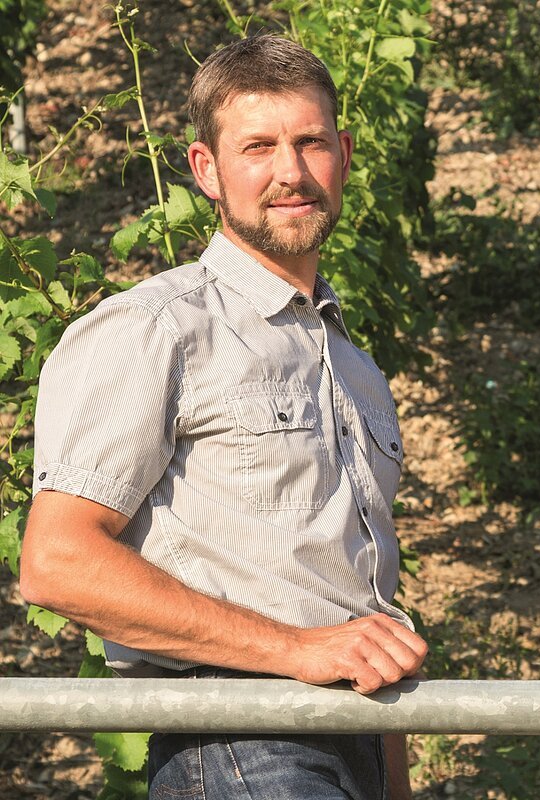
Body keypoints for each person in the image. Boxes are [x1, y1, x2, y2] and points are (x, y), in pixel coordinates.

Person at [19, 35, 425, 800]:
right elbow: (56, 562)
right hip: (240, 742)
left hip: (357, 746)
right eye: (258, 147)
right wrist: (297, 650)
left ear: (342, 153)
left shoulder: (357, 370)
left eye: (310, 142)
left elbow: (360, 614)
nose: (290, 173)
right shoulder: (156, 331)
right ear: (206, 169)